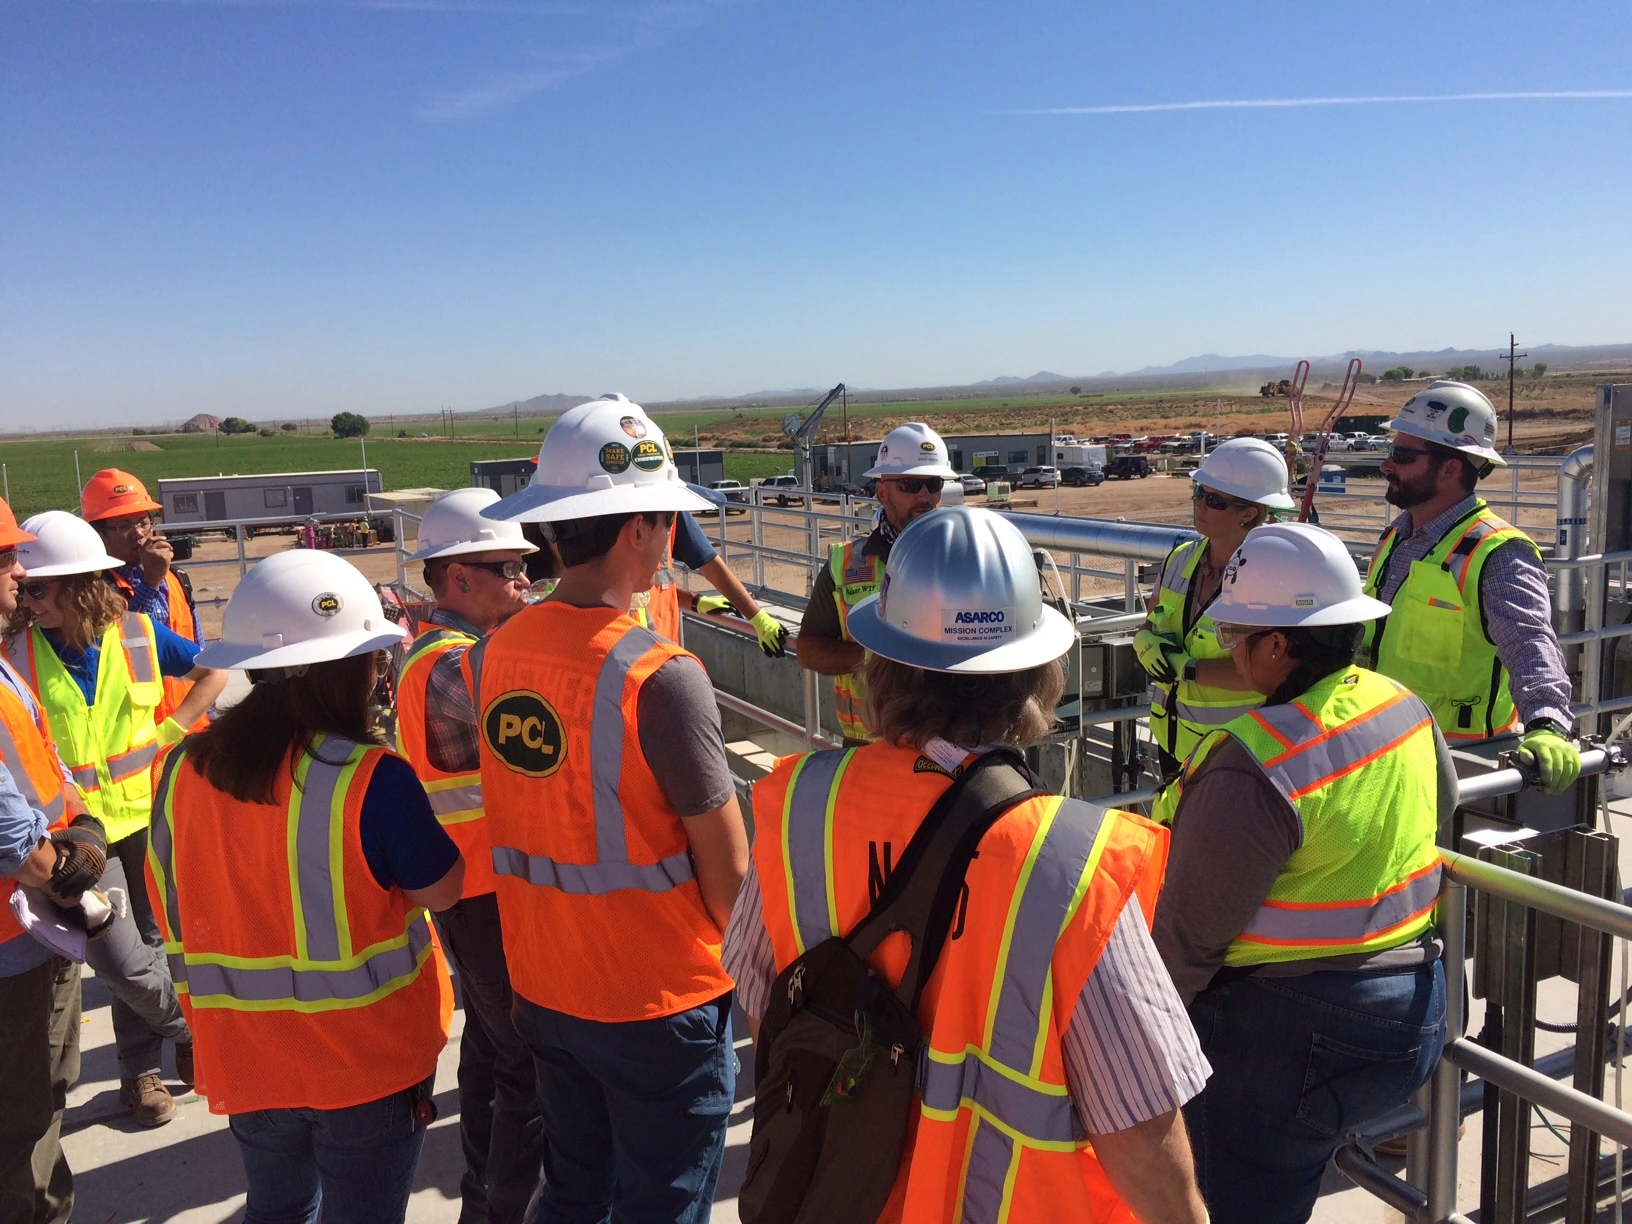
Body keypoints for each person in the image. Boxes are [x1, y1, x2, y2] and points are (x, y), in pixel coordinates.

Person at [725, 505, 1212, 1224]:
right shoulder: (1078, 863)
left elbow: (760, 999)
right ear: (1037, 675)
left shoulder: (800, 804)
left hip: (838, 1198)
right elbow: (1138, 1127)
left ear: (881, 664)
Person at [470, 395, 748, 1223]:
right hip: (656, 1002)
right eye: (667, 520)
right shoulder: (661, 677)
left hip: (546, 984)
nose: (673, 539)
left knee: (574, 1193)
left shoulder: (496, 651)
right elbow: (729, 873)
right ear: (638, 529)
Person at [146, 548, 462, 1224]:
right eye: (373, 659)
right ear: (348, 671)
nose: (380, 674)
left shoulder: (181, 770)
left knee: (278, 1209)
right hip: (366, 1063)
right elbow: (442, 891)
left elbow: (169, 897)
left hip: (245, 1056)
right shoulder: (373, 778)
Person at [1152, 523, 1450, 1224]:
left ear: (1278, 646)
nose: (1229, 649)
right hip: (1416, 1012)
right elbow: (1442, 806)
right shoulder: (1399, 703)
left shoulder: (1255, 759)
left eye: (1235, 635)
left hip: (1290, 1036)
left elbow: (1188, 940)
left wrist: (1138, 1045)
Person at [4, 511, 226, 1126]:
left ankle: (140, 1074)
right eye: (25, 587)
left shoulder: (138, 634)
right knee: (121, 962)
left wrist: (172, 732)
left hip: (146, 821)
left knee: (154, 945)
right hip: (79, 839)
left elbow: (214, 671)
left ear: (80, 586)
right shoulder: (14, 653)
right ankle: (190, 1030)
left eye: (39, 588)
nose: (27, 598)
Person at [396, 487, 543, 1224]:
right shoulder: (459, 664)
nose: (527, 581)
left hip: (475, 891)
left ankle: (483, 1203)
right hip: (486, 893)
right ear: (458, 577)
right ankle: (502, 1210)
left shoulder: (440, 653)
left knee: (490, 1051)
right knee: (528, 1067)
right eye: (510, 569)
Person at [1363, 380, 1581, 791]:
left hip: (1455, 766)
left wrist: (1547, 723)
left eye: (1402, 456)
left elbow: (1529, 643)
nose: (1386, 466)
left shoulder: (1499, 552)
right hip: (1381, 747)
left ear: (1450, 469)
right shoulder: (1396, 536)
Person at [0, 499, 106, 1224]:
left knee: (42, 1100)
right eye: (6, 559)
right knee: (22, 1121)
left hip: (34, 931)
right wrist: (65, 870)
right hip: (13, 940)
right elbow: (12, 841)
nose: (20, 572)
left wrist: (82, 823)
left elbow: (45, 763)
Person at [1134, 437, 1295, 778]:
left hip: (1235, 753)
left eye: (1214, 500)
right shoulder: (1180, 560)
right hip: (1174, 744)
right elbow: (1152, 620)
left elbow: (1270, 672)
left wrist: (1187, 669)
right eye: (1199, 493)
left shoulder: (1273, 577)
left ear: (1249, 513)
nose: (1200, 505)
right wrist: (1144, 640)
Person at [797, 422, 955, 745]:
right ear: (882, 493)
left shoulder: (962, 559)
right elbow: (809, 650)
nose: (925, 496)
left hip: (946, 744)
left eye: (934, 484)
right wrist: (872, 659)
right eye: (910, 484)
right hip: (867, 747)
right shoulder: (845, 564)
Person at [80, 469, 205, 730]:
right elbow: (119, 647)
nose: (138, 533)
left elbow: (201, 653)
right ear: (98, 534)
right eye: (124, 525)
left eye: (143, 522)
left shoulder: (176, 577)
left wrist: (208, 718)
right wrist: (151, 582)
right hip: (138, 731)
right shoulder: (92, 589)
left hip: (189, 725)